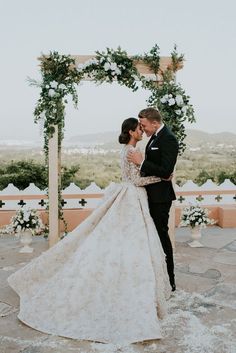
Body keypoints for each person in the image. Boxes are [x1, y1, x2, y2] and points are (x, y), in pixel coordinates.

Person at [8, 118, 171, 345]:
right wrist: (162, 177)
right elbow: (135, 179)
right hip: (131, 196)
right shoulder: (131, 150)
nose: (142, 131)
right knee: (130, 241)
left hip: (132, 198)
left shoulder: (130, 148)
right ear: (131, 131)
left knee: (128, 241)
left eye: (144, 127)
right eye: (139, 128)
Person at [128, 108, 179, 292]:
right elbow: (156, 169)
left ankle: (170, 280)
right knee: (153, 238)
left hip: (160, 198)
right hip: (149, 194)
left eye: (144, 125)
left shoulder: (169, 139)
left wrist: (140, 162)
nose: (143, 128)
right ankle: (156, 278)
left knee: (161, 237)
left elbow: (166, 170)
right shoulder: (154, 138)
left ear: (155, 123)